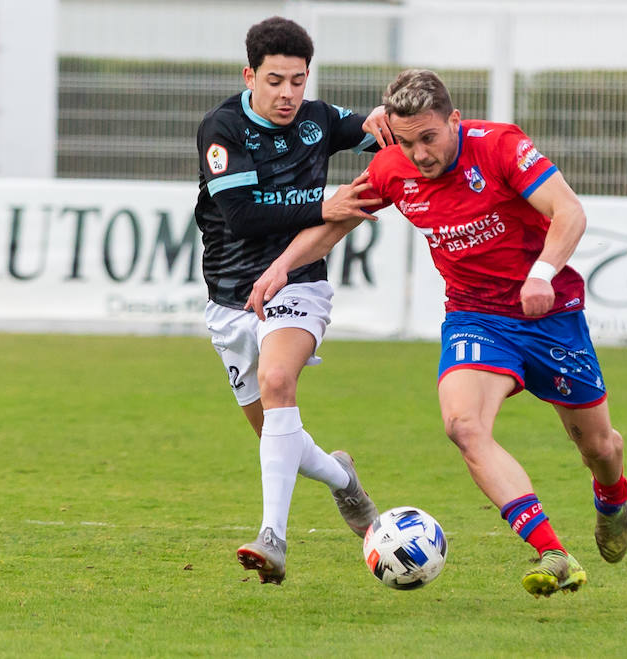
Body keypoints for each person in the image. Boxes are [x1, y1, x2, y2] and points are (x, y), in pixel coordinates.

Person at [246, 69, 627, 598]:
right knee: (463, 425)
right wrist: (281, 268)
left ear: (454, 120)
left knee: (599, 446)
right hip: (475, 317)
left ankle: (612, 496)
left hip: (550, 315)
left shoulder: (499, 147)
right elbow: (337, 221)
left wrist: (541, 273)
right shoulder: (392, 169)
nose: (419, 154)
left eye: (428, 138)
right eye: (406, 142)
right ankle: (552, 551)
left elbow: (568, 211)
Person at [194, 16, 393, 585]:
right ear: (249, 75)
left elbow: (380, 134)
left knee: (281, 385)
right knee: (276, 436)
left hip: (298, 283)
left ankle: (272, 538)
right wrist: (323, 207)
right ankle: (342, 478)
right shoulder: (223, 128)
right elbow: (243, 217)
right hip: (230, 299)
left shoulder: (319, 120)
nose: (287, 94)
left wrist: (387, 123)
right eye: (275, 80)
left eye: (298, 81)